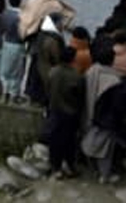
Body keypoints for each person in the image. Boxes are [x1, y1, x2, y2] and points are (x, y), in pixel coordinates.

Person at [81, 44, 126, 183]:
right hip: (105, 120)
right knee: (106, 149)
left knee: (90, 142)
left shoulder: (90, 72)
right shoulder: (115, 79)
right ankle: (104, 175)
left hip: (87, 115)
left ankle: (92, 168)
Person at [45, 45, 85, 179]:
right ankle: (70, 167)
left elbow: (48, 90)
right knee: (69, 142)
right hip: (70, 113)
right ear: (73, 59)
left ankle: (55, 167)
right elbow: (79, 97)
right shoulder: (76, 76)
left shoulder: (52, 72)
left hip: (54, 111)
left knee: (54, 141)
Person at [0, 0, 26, 103]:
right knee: (17, 72)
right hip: (18, 46)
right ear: (20, 1)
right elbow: (23, 33)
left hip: (6, 43)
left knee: (5, 70)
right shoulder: (21, 16)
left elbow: (1, 28)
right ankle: (14, 94)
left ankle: (6, 91)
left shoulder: (5, 13)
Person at [27, 12, 67, 106]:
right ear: (55, 23)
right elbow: (57, 58)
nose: (63, 25)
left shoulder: (41, 35)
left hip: (38, 70)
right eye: (61, 22)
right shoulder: (53, 39)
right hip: (48, 73)